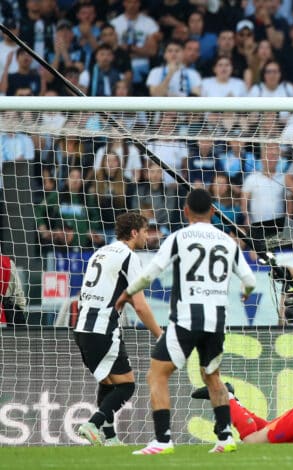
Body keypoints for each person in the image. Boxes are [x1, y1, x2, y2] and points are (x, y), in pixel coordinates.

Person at [115, 189, 257, 455]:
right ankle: (225, 436)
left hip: (186, 318)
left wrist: (127, 292)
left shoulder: (179, 238)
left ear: (185, 211)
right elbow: (249, 280)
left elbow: (151, 272)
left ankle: (163, 439)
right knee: (213, 375)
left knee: (157, 374)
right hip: (216, 320)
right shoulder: (228, 241)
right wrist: (245, 293)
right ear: (214, 212)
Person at [75, 212, 163, 446]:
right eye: (145, 231)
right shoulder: (129, 256)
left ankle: (111, 438)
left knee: (108, 383)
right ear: (134, 232)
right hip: (104, 327)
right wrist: (161, 336)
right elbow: (141, 306)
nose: (147, 235)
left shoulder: (100, 252)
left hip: (83, 328)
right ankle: (92, 423)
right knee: (126, 385)